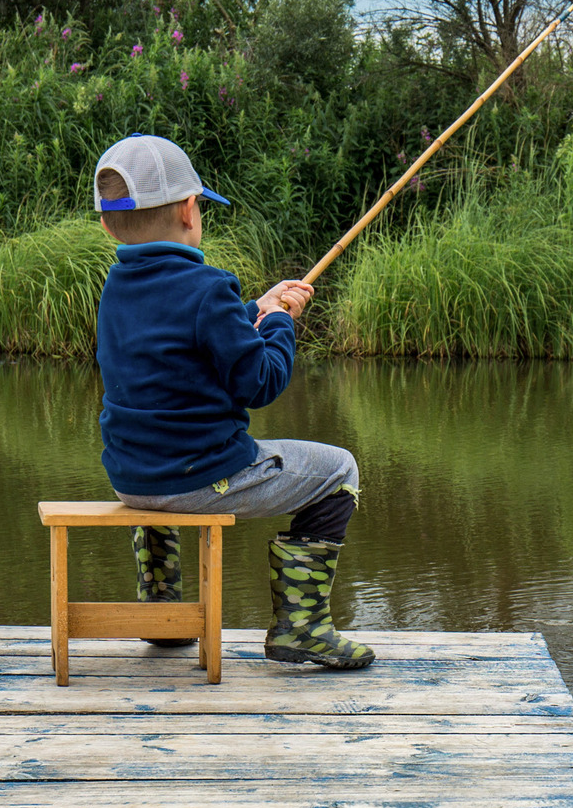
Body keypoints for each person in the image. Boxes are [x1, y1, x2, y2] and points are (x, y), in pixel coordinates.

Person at [88, 133, 374, 670]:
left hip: (134, 476)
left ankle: (164, 617)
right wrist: (283, 323)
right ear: (190, 210)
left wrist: (255, 309)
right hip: (202, 476)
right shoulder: (206, 288)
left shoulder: (117, 286)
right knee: (340, 470)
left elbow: (181, 336)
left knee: (166, 471)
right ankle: (303, 628)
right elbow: (259, 382)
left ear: (108, 224)